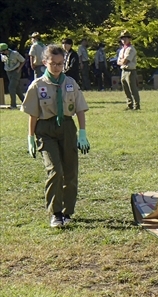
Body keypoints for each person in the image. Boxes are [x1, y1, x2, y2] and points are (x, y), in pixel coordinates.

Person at [21, 44, 90, 228]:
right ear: (45, 63)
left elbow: (80, 108)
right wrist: (30, 138)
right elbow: (33, 114)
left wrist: (82, 132)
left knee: (70, 172)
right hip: (46, 130)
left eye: (61, 64)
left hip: (67, 127)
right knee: (55, 170)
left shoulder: (70, 83)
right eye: (53, 64)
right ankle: (56, 212)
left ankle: (68, 211)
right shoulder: (38, 85)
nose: (57, 68)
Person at [117, 30, 140, 110]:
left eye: (126, 38)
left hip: (130, 71)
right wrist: (122, 62)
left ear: (129, 39)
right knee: (126, 89)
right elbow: (118, 62)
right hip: (123, 71)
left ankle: (136, 105)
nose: (124, 40)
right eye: (122, 38)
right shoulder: (122, 50)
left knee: (132, 89)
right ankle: (129, 104)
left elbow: (125, 61)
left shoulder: (131, 49)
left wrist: (122, 61)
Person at [0, 43, 25, 108]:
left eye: (2, 51)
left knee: (11, 88)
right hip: (8, 72)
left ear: (6, 50)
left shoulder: (15, 54)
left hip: (15, 72)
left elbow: (23, 61)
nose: (2, 53)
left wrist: (18, 70)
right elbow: (4, 62)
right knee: (17, 89)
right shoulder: (3, 55)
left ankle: (13, 105)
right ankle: (25, 102)